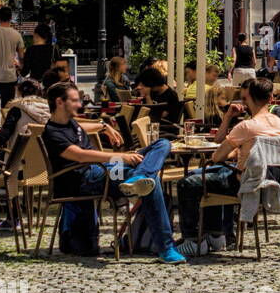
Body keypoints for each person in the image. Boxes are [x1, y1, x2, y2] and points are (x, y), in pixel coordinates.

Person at [43, 81, 184, 262]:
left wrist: (103, 126)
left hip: (105, 171)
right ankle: (166, 248)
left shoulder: (70, 123)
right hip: (86, 179)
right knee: (152, 183)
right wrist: (120, 157)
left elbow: (83, 127)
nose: (79, 105)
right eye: (74, 100)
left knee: (162, 144)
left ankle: (140, 176)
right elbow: (80, 156)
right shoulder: (52, 132)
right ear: (59, 102)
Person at [176, 76, 280, 255]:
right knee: (209, 177)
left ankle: (193, 239)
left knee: (188, 183)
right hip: (275, 184)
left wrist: (230, 121)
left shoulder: (247, 126)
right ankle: (216, 236)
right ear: (270, 99)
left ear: (248, 99)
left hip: (245, 183)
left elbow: (216, 156)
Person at [0, 78, 49, 158]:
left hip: (18, 163)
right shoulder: (50, 111)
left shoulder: (17, 110)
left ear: (19, 92)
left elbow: (2, 138)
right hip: (43, 164)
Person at [136, 65, 182, 133]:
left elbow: (156, 117)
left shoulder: (171, 95)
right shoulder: (153, 91)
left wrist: (148, 96)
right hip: (150, 126)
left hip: (164, 128)